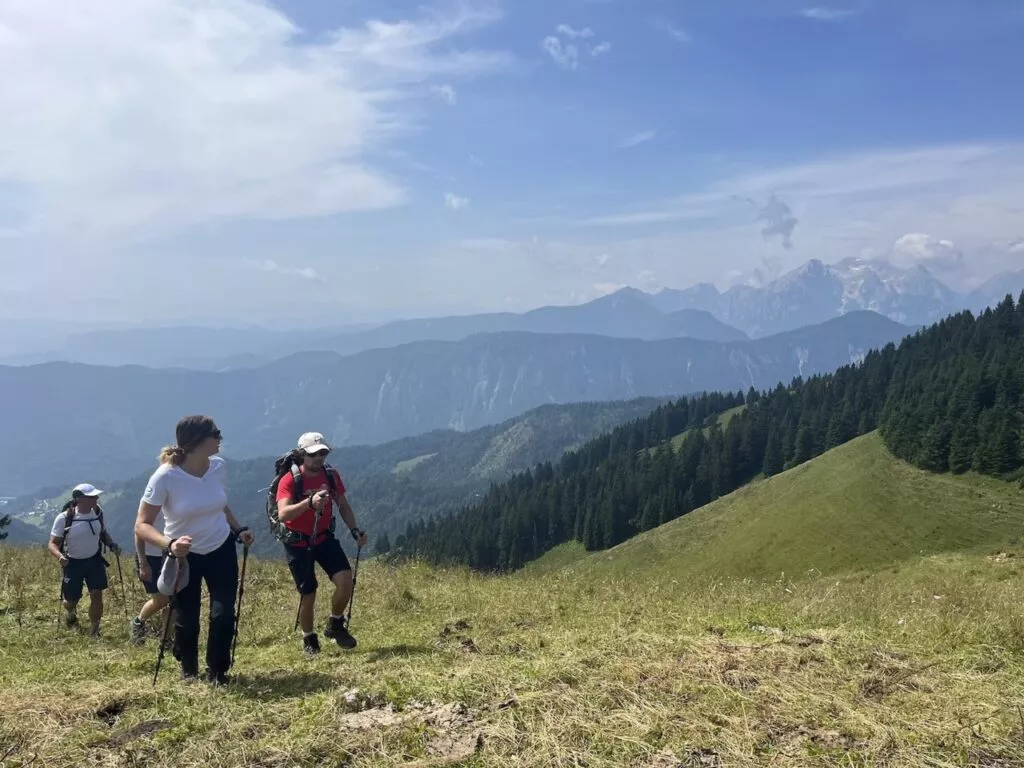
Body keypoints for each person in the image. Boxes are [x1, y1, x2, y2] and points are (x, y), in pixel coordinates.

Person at [134, 415, 255, 685]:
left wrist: (238, 529)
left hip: (221, 547)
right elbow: (141, 525)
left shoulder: (218, 467)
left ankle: (217, 672)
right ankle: (188, 670)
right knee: (187, 617)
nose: (220, 438)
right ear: (197, 442)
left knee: (223, 613)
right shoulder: (165, 476)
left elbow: (219, 504)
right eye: (216, 433)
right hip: (183, 556)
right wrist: (170, 545)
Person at [276, 431, 367, 655]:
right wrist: (309, 502)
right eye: (314, 454)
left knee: (346, 581)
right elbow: (283, 514)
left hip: (324, 537)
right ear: (302, 455)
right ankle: (309, 638)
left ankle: (335, 624)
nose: (319, 458)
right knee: (309, 593)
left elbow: (343, 506)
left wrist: (354, 530)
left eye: (323, 452)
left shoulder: (331, 476)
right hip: (297, 542)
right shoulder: (290, 479)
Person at [47, 483, 121, 637]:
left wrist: (111, 544)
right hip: (72, 562)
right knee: (71, 599)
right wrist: (60, 557)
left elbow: (103, 532)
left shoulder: (99, 513)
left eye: (95, 496)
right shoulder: (65, 518)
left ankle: (94, 631)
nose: (96, 498)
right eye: (92, 496)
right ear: (79, 499)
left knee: (96, 594)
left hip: (94, 560)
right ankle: (71, 612)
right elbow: (53, 543)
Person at [130, 509, 172, 646]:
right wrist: (143, 563)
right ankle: (138, 622)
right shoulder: (152, 505)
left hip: (170, 555)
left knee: (173, 600)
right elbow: (139, 532)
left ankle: (166, 640)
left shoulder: (176, 502)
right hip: (149, 557)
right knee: (161, 600)